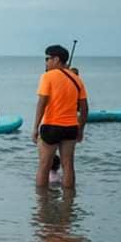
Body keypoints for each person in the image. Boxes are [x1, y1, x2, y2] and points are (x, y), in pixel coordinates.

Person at [32, 44, 89, 188]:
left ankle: (41, 204)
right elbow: (84, 108)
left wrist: (35, 127)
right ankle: (69, 204)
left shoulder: (47, 76)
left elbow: (42, 103)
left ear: (56, 59)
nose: (46, 62)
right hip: (71, 127)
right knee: (68, 165)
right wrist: (81, 130)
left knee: (44, 165)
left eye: (48, 58)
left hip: (51, 126)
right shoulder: (77, 79)